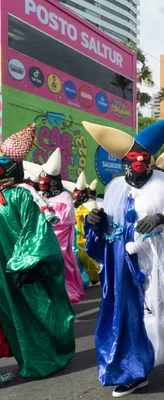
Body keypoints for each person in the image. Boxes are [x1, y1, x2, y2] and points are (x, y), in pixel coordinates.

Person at [83, 116, 164, 397]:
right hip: (122, 267)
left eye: (144, 157)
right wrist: (95, 222)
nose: (139, 162)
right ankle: (136, 372)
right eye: (133, 158)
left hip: (154, 262)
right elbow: (109, 228)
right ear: (124, 162)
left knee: (159, 316)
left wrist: (162, 217)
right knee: (126, 317)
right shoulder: (114, 187)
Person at [0, 124, 75, 378]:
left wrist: (30, 264)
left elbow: (35, 233)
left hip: (20, 270)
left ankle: (45, 358)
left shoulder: (23, 195)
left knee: (32, 315)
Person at [38, 148, 85, 304]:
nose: (43, 186)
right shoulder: (40, 196)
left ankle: (66, 290)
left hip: (61, 239)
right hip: (44, 237)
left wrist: (47, 214)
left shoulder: (64, 197)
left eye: (47, 183)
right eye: (41, 182)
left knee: (62, 263)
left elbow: (62, 219)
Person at [70, 172, 100, 285]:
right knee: (82, 255)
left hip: (89, 235)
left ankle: (96, 275)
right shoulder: (78, 205)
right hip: (79, 235)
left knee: (89, 255)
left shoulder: (90, 204)